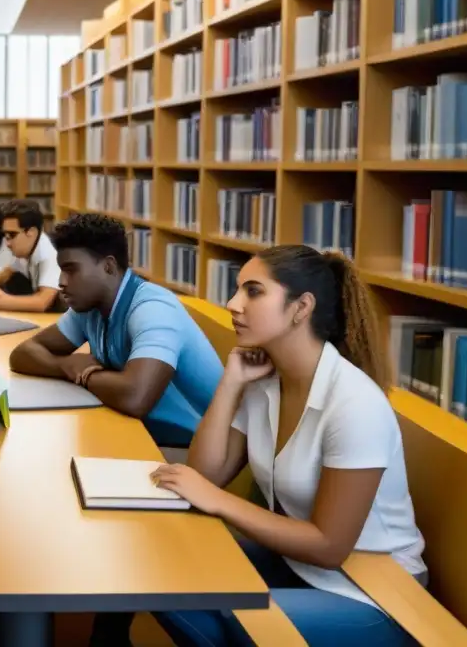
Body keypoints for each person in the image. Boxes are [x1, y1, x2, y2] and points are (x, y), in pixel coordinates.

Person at [92, 245, 426, 646]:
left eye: (253, 291)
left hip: (374, 589)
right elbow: (205, 473)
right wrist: (231, 382)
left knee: (235, 619)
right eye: (237, 289)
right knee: (157, 573)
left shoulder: (355, 404)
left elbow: (329, 546)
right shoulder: (267, 381)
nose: (233, 304)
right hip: (297, 564)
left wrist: (218, 500)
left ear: (301, 307)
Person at [8, 213, 222, 449]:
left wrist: (85, 375)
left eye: (71, 270)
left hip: (189, 448)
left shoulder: (153, 309)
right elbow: (22, 353)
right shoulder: (89, 306)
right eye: (61, 270)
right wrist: (66, 366)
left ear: (109, 267)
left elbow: (135, 397)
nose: (61, 281)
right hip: (138, 430)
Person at [0, 199, 62, 313]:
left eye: (12, 235)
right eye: (5, 235)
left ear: (31, 232)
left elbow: (42, 302)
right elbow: (0, 277)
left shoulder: (48, 254)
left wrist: (0, 301)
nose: (7, 243)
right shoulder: (26, 249)